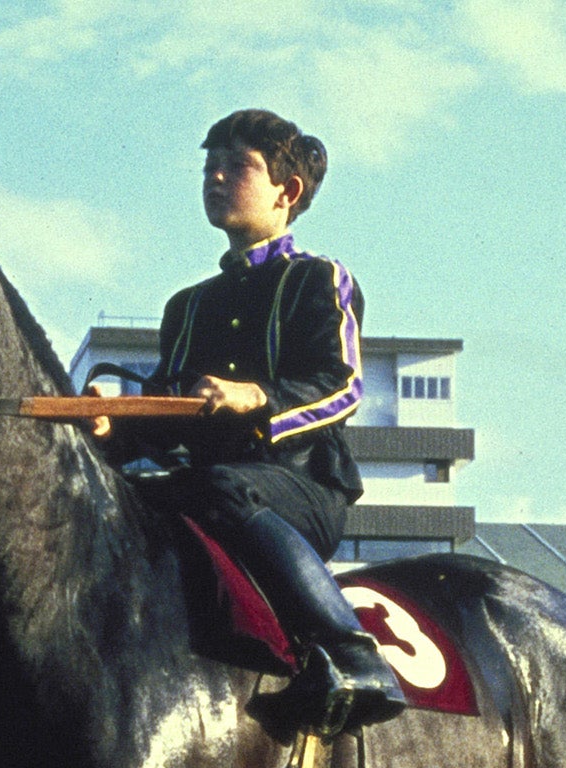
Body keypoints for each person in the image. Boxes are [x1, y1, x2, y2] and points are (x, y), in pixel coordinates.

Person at [118, 108, 405, 736]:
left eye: (236, 166)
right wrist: (115, 425)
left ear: (288, 191)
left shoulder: (318, 279)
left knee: (220, 486)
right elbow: (170, 413)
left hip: (299, 488)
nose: (214, 176)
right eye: (207, 167)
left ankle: (355, 657)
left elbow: (344, 387)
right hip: (202, 486)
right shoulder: (186, 305)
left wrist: (257, 398)